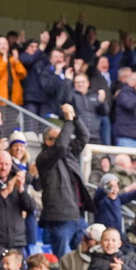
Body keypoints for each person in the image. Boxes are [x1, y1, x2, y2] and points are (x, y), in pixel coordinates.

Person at [35, 103, 93, 258]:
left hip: (77, 215)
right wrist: (67, 121)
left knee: (80, 260)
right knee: (63, 261)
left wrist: (75, 118)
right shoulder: (44, 159)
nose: (63, 140)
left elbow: (84, 137)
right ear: (47, 141)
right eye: (56, 138)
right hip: (60, 218)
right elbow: (60, 146)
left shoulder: (69, 153)